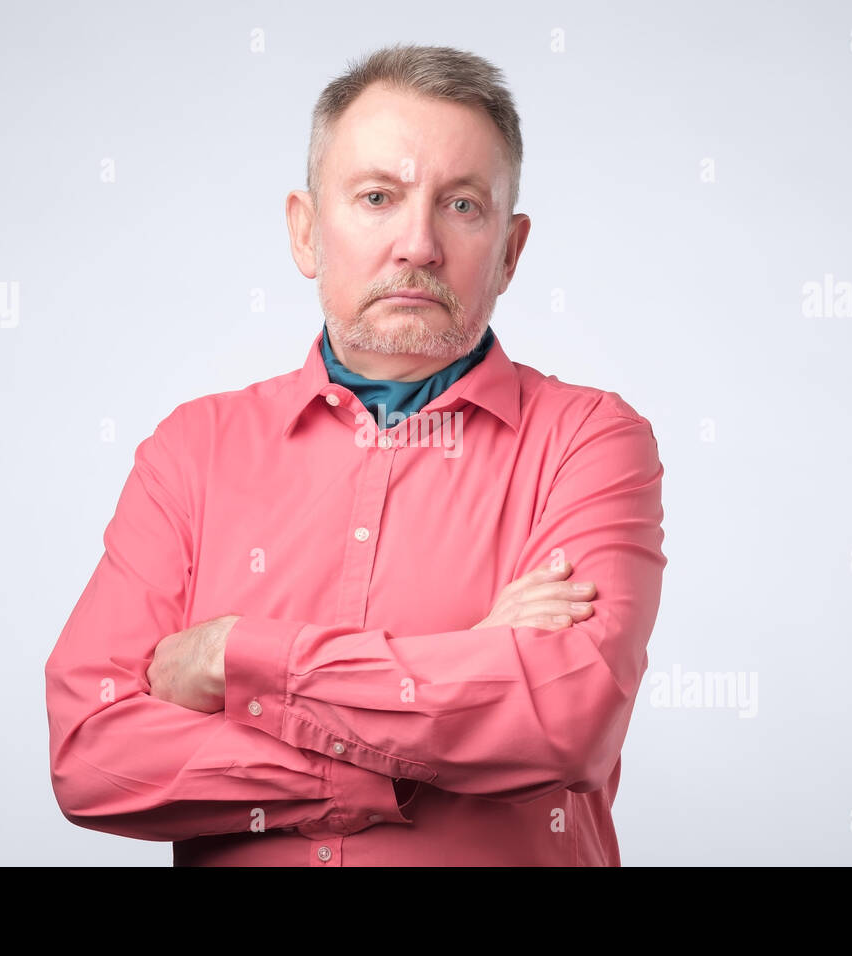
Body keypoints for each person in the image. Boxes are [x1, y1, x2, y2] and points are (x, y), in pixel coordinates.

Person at [44, 42, 667, 866]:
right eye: (378, 197)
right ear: (306, 232)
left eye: (461, 206)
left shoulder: (591, 442)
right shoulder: (191, 452)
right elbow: (92, 755)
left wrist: (239, 658)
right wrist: (437, 708)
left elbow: (562, 720)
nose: (418, 244)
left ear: (511, 253)